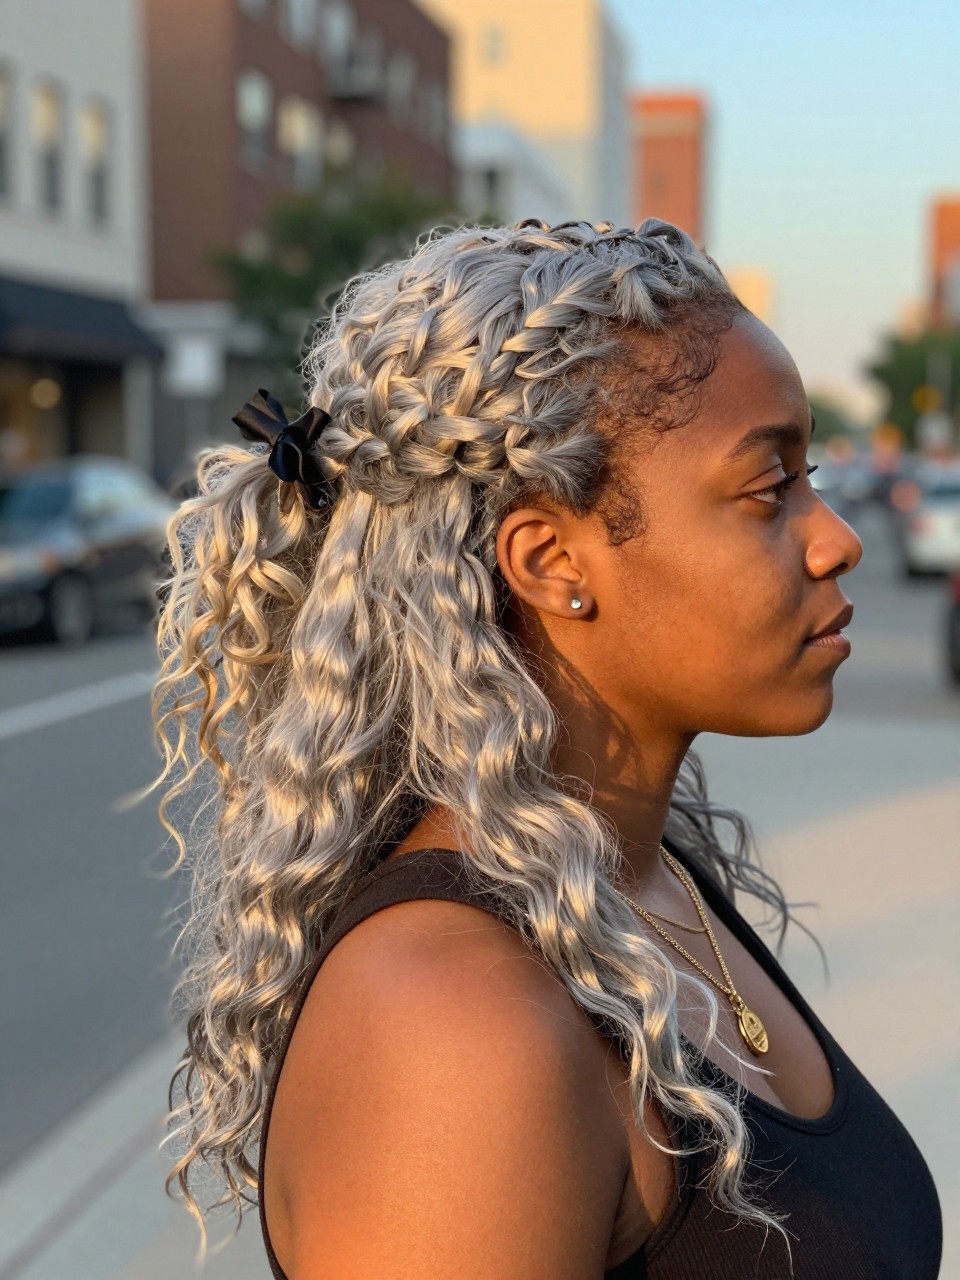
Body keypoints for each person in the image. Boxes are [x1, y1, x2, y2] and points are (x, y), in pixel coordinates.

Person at [153, 219, 942, 1277]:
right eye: (770, 488)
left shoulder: (639, 880)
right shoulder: (453, 1019)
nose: (836, 536)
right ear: (550, 557)